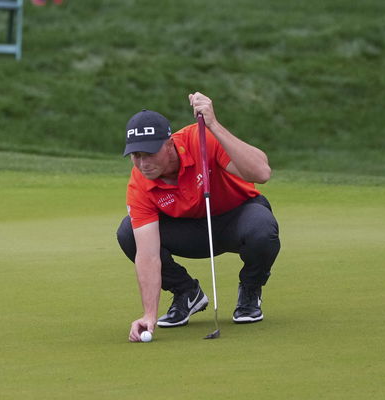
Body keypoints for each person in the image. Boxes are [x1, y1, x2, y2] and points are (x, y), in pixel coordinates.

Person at [116, 92, 281, 342]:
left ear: (170, 143)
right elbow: (149, 255)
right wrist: (148, 314)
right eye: (136, 156)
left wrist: (213, 125)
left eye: (149, 154)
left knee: (262, 228)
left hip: (235, 218)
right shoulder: (139, 183)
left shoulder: (201, 139)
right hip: (188, 231)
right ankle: (187, 293)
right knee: (128, 232)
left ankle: (250, 288)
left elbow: (261, 172)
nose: (143, 163)